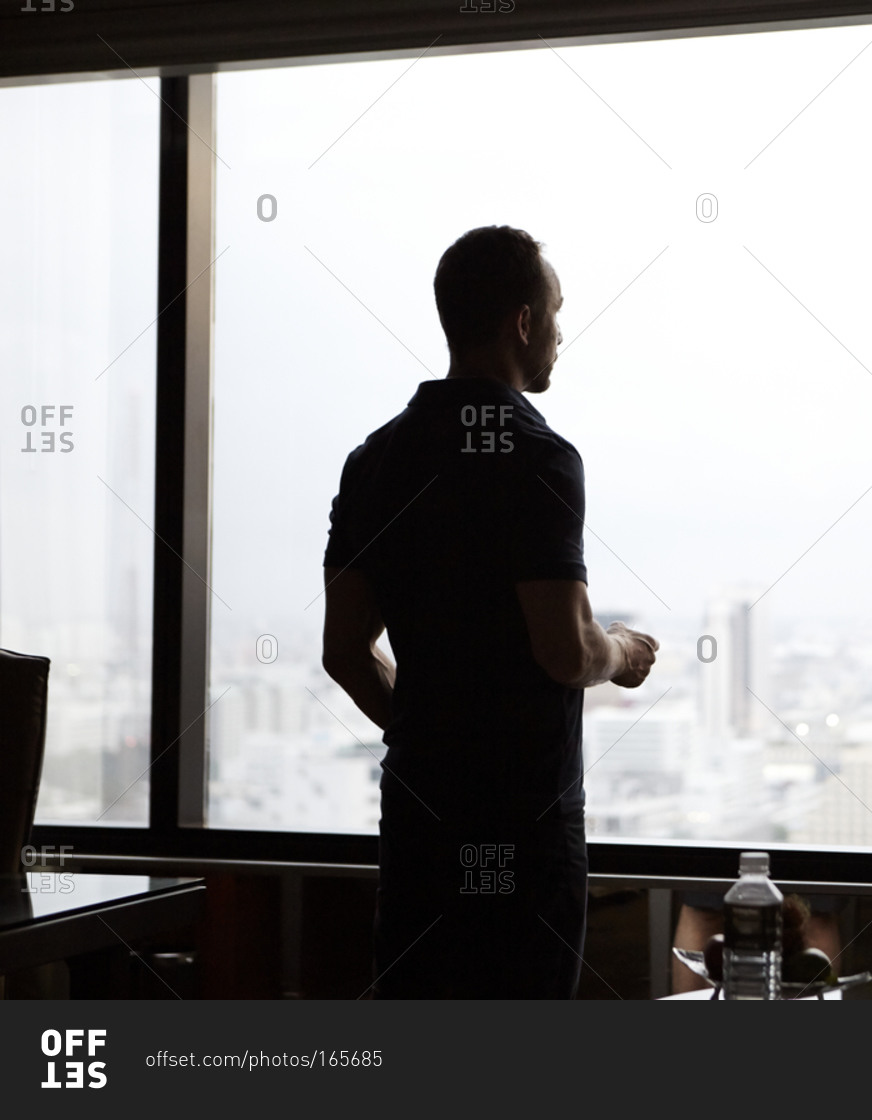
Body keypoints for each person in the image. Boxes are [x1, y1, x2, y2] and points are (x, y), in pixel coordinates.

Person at [321, 225, 658, 998]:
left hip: (420, 822)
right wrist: (625, 651)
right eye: (558, 313)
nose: (562, 335)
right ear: (524, 322)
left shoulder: (376, 460)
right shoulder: (539, 458)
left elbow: (345, 651)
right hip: (521, 826)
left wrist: (430, 737)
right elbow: (566, 651)